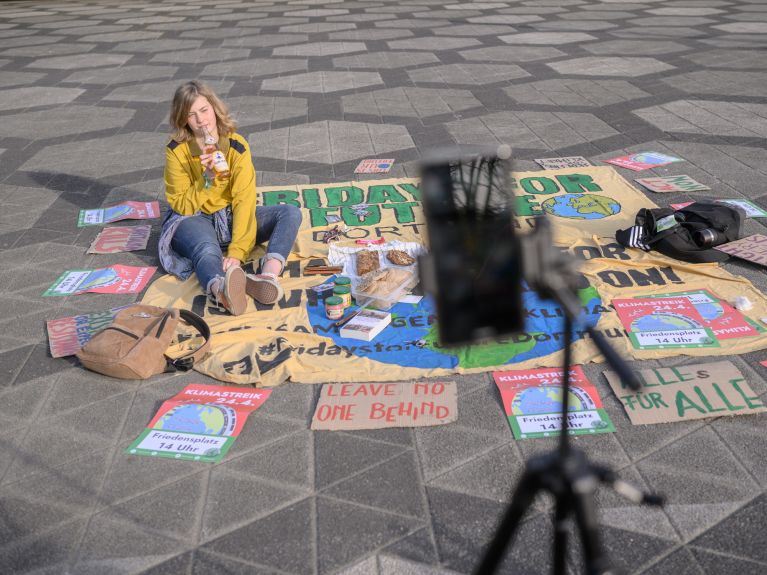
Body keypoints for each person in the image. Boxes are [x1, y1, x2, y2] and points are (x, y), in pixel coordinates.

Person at [158, 81, 302, 315]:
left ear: (214, 108)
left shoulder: (236, 145)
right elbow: (182, 205)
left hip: (229, 217)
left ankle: (268, 275)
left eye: (204, 110)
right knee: (206, 249)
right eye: (191, 114)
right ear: (183, 119)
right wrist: (207, 179)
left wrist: (237, 252)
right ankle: (221, 290)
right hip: (194, 218)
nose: (201, 120)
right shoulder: (177, 150)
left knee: (290, 213)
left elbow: (244, 200)